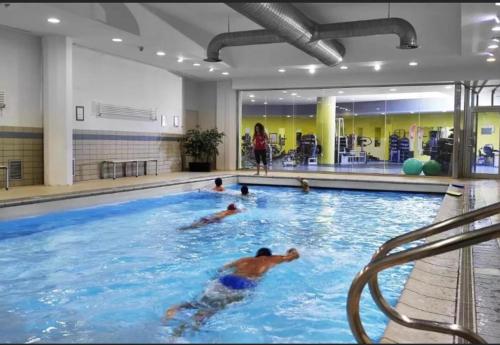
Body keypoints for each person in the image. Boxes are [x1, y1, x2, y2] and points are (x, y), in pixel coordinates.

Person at [164, 248, 300, 336]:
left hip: (226, 279)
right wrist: (291, 251)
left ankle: (174, 310)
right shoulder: (273, 259)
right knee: (214, 307)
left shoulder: (244, 259)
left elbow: (222, 269)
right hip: (244, 284)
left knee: (200, 301)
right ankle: (186, 330)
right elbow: (295, 256)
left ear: (256, 255)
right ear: (267, 255)